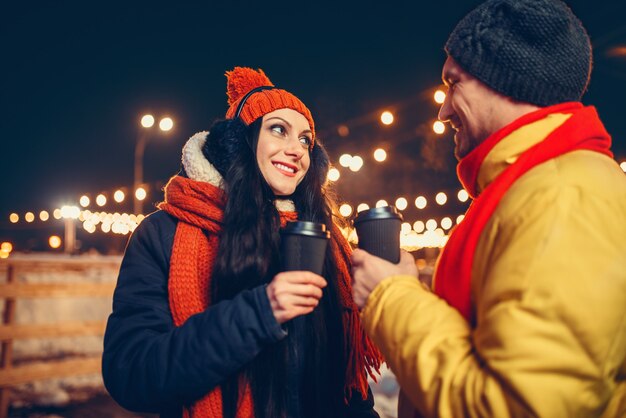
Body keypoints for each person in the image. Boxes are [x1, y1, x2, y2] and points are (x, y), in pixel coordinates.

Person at [350, 1, 626, 417]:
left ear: (504, 80)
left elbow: (516, 406)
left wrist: (390, 298)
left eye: (453, 83)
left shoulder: (563, 196)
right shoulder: (536, 185)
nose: (442, 111)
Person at [102, 67, 382, 418]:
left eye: (306, 140)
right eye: (278, 130)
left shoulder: (321, 237)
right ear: (241, 142)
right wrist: (259, 313)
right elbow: (131, 373)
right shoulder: (165, 232)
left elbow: (348, 391)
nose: (296, 150)